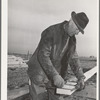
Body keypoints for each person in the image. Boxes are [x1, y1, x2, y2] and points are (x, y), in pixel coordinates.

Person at [27, 11, 89, 100]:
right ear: (71, 21)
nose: (77, 33)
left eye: (80, 30)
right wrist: (55, 75)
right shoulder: (51, 32)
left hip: (54, 79)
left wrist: (80, 77)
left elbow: (74, 58)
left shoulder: (72, 40)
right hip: (39, 76)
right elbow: (43, 55)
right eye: (77, 29)